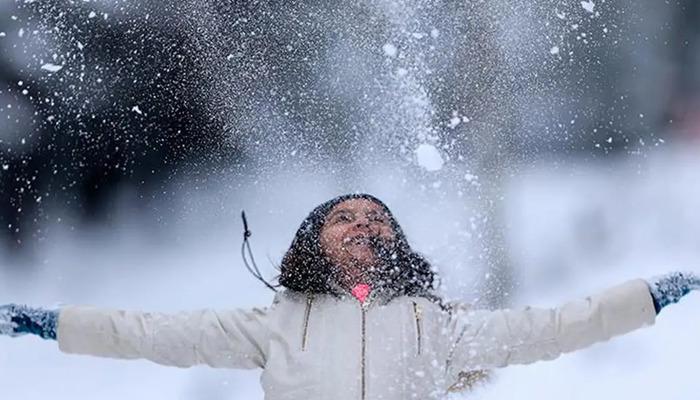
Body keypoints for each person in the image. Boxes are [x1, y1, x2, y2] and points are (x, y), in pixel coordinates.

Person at [0, 193, 698, 400]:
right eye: (345, 217)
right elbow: (146, 331)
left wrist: (652, 296)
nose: (366, 222)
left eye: (378, 217)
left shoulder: (439, 328)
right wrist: (50, 323)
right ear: (313, 243)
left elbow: (555, 326)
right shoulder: (272, 325)